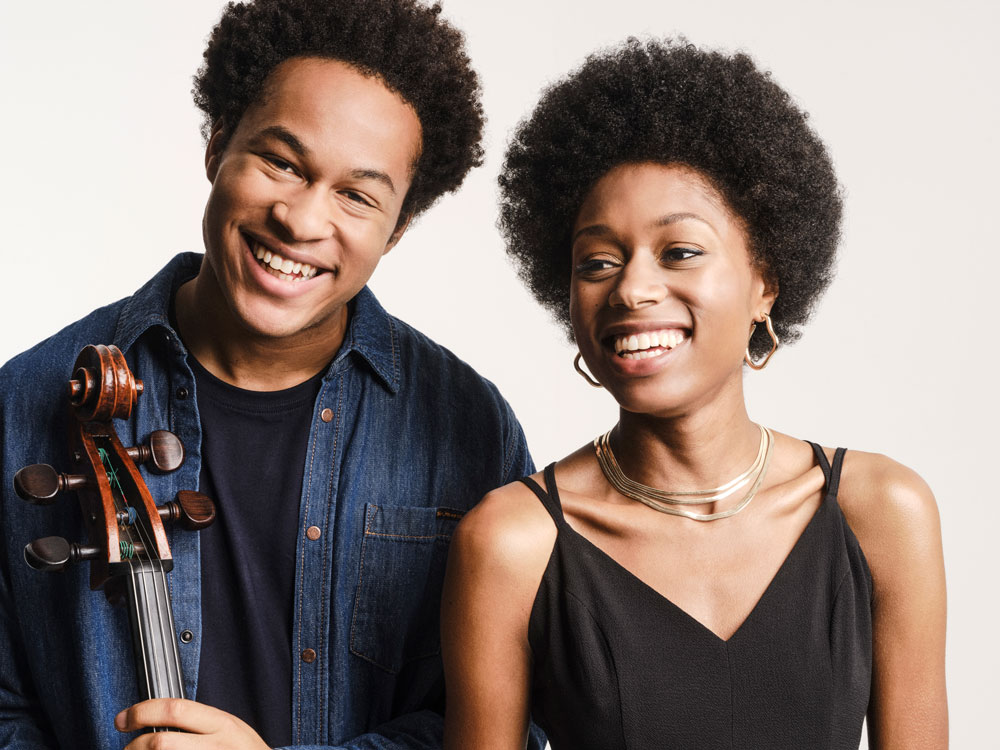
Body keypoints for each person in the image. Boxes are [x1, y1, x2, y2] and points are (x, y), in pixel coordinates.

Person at [0, 1, 545, 748]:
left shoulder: (469, 427)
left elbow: (500, 724)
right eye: (281, 162)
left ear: (400, 225)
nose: (301, 219)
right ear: (218, 145)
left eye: (357, 195)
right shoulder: (26, 398)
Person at [442, 39, 948, 749]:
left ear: (764, 283)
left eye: (679, 251)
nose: (631, 288)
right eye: (598, 261)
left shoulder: (880, 513)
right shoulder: (511, 543)